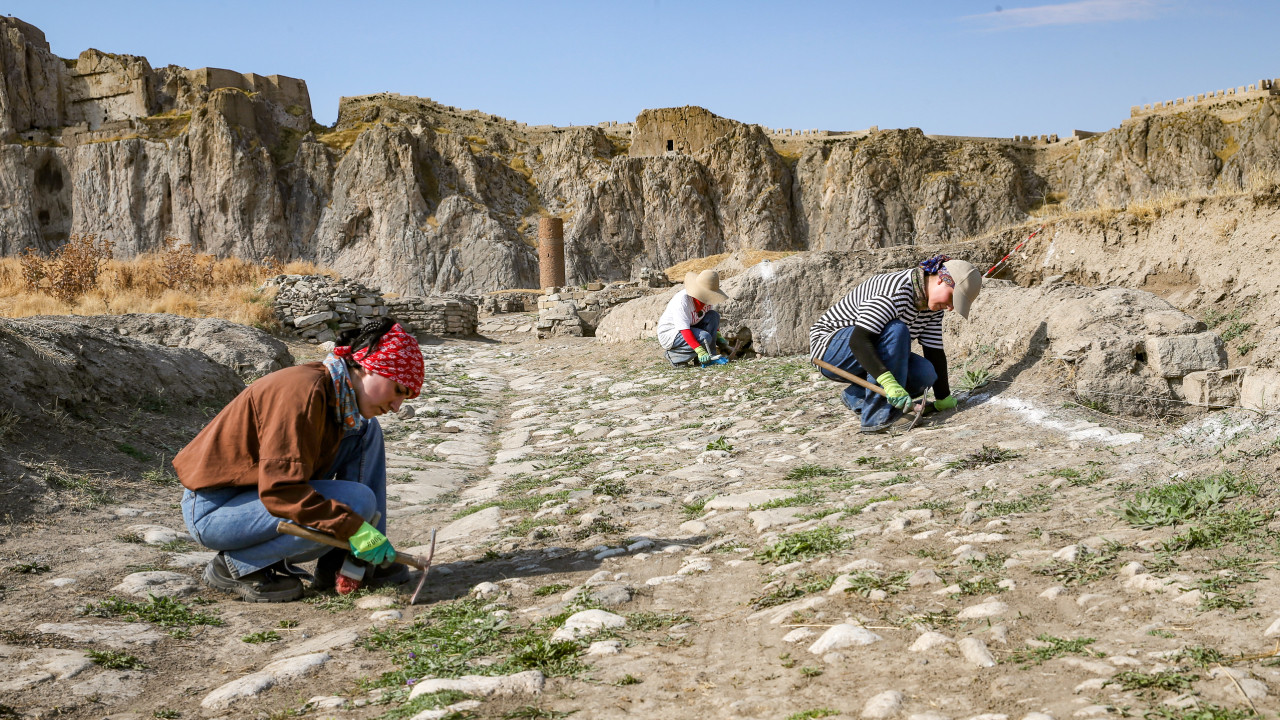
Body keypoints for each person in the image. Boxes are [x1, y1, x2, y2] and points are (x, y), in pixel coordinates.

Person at [173, 319, 424, 602]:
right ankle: (236, 566)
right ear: (368, 366)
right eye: (398, 390)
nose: (396, 407)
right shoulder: (302, 394)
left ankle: (350, 563)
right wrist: (353, 528)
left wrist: (364, 536)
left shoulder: (336, 391)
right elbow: (282, 491)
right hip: (216, 509)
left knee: (365, 429)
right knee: (357, 503)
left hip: (255, 494)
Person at [809, 255, 981, 433]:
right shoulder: (896, 291)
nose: (951, 307)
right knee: (896, 329)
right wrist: (889, 384)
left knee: (925, 373)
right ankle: (878, 416)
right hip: (831, 350)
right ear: (940, 280)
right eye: (952, 298)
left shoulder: (932, 309)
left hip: (867, 351)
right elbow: (859, 341)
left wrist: (943, 398)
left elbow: (934, 352)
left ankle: (857, 396)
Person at [657, 269, 732, 366]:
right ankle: (674, 356)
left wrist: (718, 335)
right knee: (705, 337)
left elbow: (710, 320)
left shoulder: (707, 300)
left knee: (714, 315)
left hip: (691, 326)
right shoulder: (682, 301)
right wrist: (699, 350)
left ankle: (710, 356)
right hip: (671, 333)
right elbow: (685, 330)